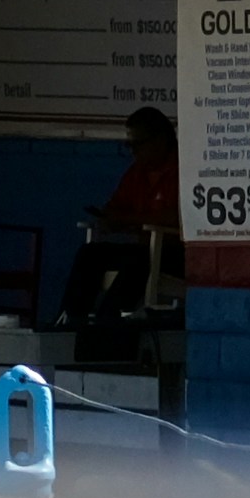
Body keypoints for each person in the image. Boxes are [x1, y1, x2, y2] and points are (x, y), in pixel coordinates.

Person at [58, 106, 181, 346]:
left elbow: (177, 217)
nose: (132, 151)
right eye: (129, 145)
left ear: (161, 140)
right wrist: (111, 220)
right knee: (91, 253)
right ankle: (71, 322)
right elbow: (115, 207)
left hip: (176, 253)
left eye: (138, 144)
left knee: (137, 262)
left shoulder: (184, 170)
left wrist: (131, 220)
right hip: (144, 250)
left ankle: (109, 327)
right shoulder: (137, 173)